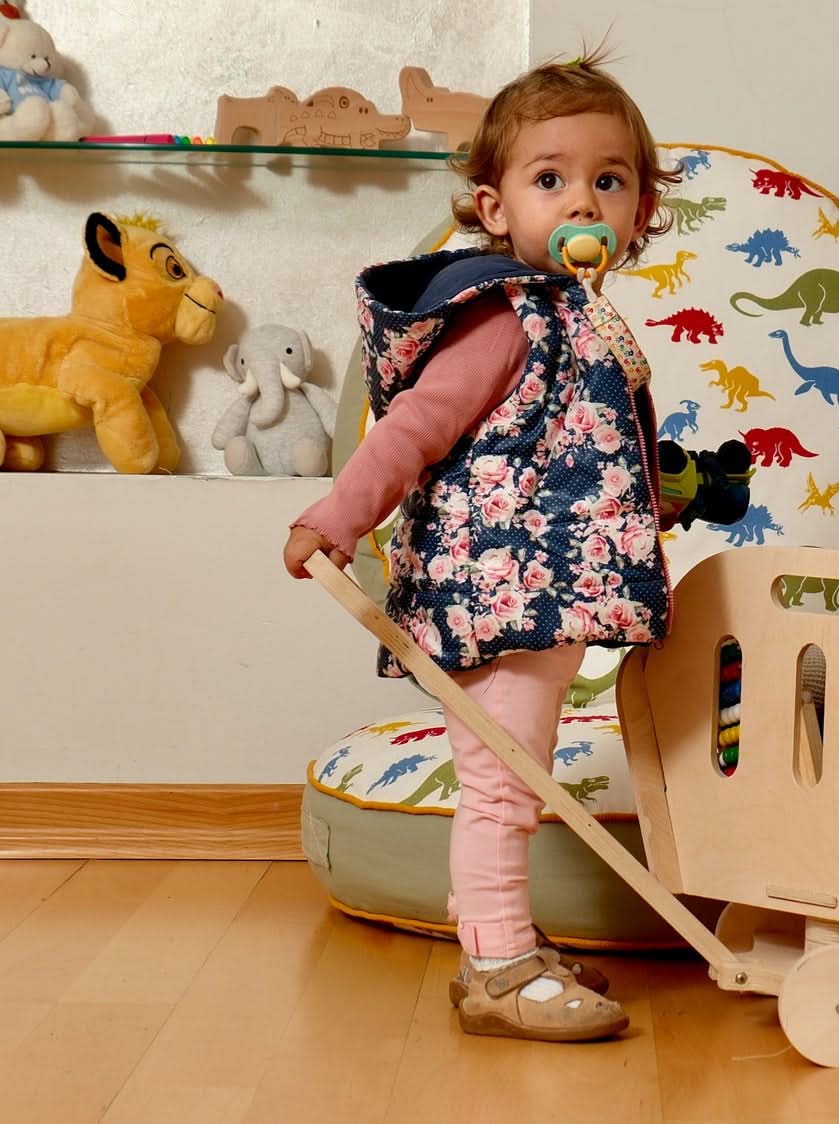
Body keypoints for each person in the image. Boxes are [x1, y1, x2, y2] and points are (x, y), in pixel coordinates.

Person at [282, 48, 683, 1042]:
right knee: (504, 782)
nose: (582, 199)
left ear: (640, 210)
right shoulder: (505, 317)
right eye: (550, 179)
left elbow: (585, 452)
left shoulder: (586, 321)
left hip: (547, 592)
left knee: (515, 772)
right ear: (495, 209)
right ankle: (499, 967)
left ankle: (498, 942)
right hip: (495, 592)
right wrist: (337, 516)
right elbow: (413, 429)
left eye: (609, 179)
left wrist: (665, 492)